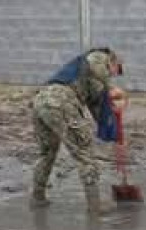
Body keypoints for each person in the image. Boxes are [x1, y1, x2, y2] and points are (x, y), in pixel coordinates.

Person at [31, 47, 127, 212]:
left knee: (47, 152)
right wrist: (112, 92)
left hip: (41, 101)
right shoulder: (100, 58)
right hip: (61, 102)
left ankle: (37, 197)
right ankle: (95, 206)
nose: (113, 75)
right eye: (117, 71)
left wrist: (113, 131)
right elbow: (101, 92)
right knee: (84, 150)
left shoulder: (84, 70)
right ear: (113, 62)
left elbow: (97, 108)